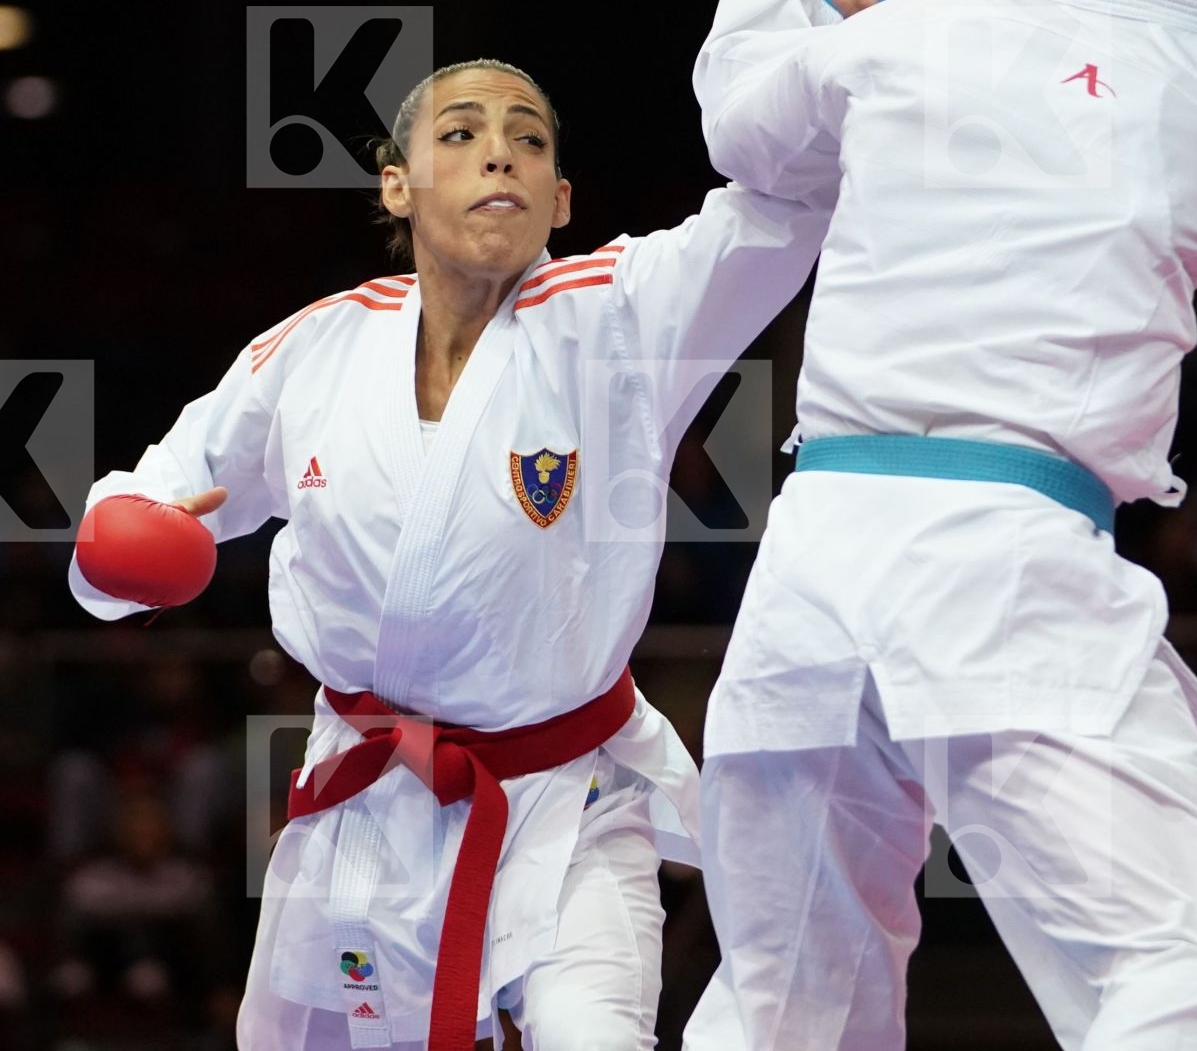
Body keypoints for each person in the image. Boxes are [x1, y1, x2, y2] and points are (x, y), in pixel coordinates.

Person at [68, 56, 832, 1050]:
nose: (497, 154)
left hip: (571, 796)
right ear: (397, 182)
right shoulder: (315, 352)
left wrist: (824, 42)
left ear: (560, 199)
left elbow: (782, 206)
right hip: (364, 801)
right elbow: (148, 499)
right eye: (461, 134)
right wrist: (120, 555)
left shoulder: (624, 314)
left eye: (527, 138)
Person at [683, 0, 1197, 1048]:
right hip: (1008, 574)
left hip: (812, 575)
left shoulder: (931, 24)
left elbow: (747, 134)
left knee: (786, 1004)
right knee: (1188, 974)